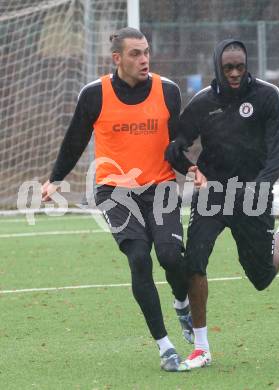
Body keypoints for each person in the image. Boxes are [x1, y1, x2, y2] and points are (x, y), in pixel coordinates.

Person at [41, 27, 193, 372]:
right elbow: (75, 139)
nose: (144, 59)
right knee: (139, 258)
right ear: (117, 59)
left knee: (170, 256)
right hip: (114, 190)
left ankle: (182, 303)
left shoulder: (168, 90)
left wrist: (194, 167)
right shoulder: (94, 94)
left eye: (146, 52)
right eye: (136, 54)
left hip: (162, 187)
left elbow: (177, 144)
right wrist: (55, 179)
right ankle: (165, 347)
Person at [165, 39, 279, 370]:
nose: (235, 73)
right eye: (228, 67)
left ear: (247, 65)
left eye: (240, 66)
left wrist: (259, 188)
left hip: (252, 195)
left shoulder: (268, 96)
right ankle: (201, 348)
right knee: (194, 261)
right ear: (218, 67)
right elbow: (174, 148)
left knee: (262, 278)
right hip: (212, 195)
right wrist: (191, 169)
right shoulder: (202, 103)